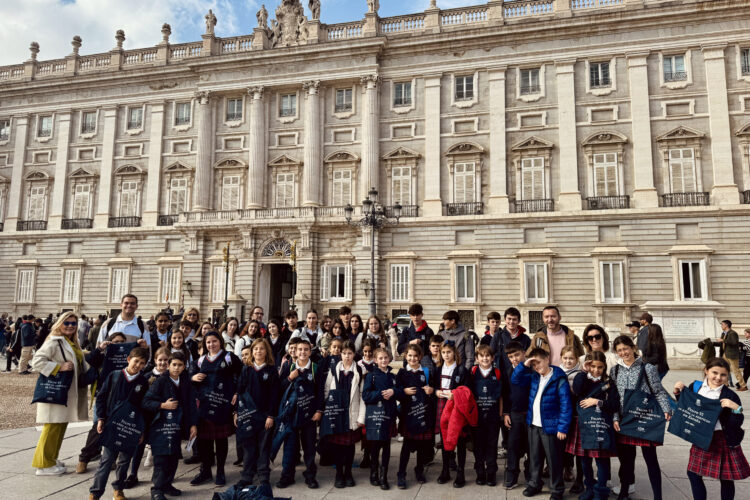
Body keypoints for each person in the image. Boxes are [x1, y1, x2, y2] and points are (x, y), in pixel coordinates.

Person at [673, 357, 749, 500]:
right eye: (714, 372)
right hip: (701, 437)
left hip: (722, 438)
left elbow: (736, 423)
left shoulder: (730, 395)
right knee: (693, 473)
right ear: (706, 371)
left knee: (725, 477)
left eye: (723, 375)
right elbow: (687, 409)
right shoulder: (696, 387)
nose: (718, 377)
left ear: (727, 376)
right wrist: (678, 393)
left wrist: (736, 409)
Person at [610, 335, 672, 500]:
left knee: (651, 459)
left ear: (632, 347)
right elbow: (614, 397)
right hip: (625, 419)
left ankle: (657, 496)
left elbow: (658, 390)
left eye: (626, 348)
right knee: (626, 461)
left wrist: (666, 409)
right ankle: (624, 491)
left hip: (644, 417)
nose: (624, 353)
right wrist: (615, 418)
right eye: (620, 350)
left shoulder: (647, 367)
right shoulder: (614, 370)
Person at [31, 312, 91, 476]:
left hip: (66, 391)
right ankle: (43, 464)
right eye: (67, 323)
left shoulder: (70, 342)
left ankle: (51, 458)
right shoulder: (54, 341)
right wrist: (58, 367)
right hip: (55, 390)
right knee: (51, 427)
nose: (70, 326)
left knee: (59, 425)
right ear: (60, 324)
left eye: (73, 324)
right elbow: (37, 361)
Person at [88, 347, 150, 500]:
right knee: (106, 461)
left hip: (130, 427)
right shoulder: (114, 376)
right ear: (129, 359)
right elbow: (101, 398)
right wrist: (101, 418)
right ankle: (95, 492)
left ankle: (118, 489)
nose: (138, 365)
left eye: (142, 363)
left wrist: (141, 431)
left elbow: (144, 408)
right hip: (112, 424)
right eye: (136, 361)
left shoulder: (143, 382)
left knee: (124, 461)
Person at [511, 347, 572, 500]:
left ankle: (557, 489)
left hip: (551, 427)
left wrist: (563, 427)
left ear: (547, 359)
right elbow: (515, 379)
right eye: (534, 364)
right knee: (534, 458)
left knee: (554, 460)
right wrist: (525, 364)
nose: (536, 366)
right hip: (533, 425)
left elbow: (566, 405)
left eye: (538, 362)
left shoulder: (559, 378)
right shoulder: (534, 376)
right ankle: (534, 484)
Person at [142, 351, 198, 500]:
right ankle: (157, 489)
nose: (176, 368)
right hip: (161, 427)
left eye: (180, 365)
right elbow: (146, 401)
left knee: (173, 457)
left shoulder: (185, 382)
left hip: (177, 427)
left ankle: (167, 484)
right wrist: (162, 405)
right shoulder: (160, 381)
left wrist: (193, 424)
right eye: (174, 365)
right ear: (168, 365)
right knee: (161, 459)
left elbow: (191, 405)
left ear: (184, 366)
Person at [189, 331, 242, 486]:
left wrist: (237, 393)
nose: (211, 344)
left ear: (220, 341)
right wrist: (193, 377)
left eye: (214, 341)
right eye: (208, 342)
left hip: (222, 405)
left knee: (220, 441)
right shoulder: (199, 361)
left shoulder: (229, 358)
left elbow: (242, 375)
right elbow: (189, 379)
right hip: (205, 406)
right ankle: (205, 471)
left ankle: (220, 472)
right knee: (204, 441)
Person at [567, 352, 620, 500]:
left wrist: (597, 402)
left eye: (600, 367)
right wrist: (583, 371)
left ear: (604, 367)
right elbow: (577, 390)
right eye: (593, 366)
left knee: (601, 460)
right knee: (584, 460)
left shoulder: (609, 383)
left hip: (600, 424)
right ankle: (589, 488)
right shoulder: (581, 377)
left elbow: (615, 404)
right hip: (583, 423)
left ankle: (600, 492)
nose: (596, 370)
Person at [276, 339, 323, 489]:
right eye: (300, 349)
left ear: (310, 352)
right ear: (295, 351)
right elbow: (279, 388)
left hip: (309, 415)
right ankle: (287, 475)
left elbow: (321, 391)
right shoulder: (288, 366)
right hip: (291, 414)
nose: (302, 352)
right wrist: (290, 377)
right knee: (290, 447)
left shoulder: (315, 368)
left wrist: (319, 410)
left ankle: (310, 475)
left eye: (306, 350)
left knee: (309, 446)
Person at [235, 338, 280, 487]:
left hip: (264, 416)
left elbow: (275, 395)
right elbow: (240, 392)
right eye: (255, 349)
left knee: (263, 447)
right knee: (248, 446)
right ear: (251, 352)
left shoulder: (271, 370)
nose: (258, 351)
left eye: (261, 349)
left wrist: (271, 415)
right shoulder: (246, 369)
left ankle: (263, 476)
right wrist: (236, 413)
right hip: (248, 415)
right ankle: (247, 475)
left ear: (266, 351)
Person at [124, 347, 170, 489]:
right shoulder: (146, 376)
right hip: (145, 415)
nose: (162, 363)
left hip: (162, 417)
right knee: (139, 446)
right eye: (160, 360)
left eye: (166, 360)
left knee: (159, 448)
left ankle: (159, 477)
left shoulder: (171, 376)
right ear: (155, 360)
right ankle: (133, 474)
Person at [322, 340, 365, 488]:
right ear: (340, 354)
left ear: (354, 354)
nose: (347, 356)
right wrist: (329, 410)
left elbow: (362, 395)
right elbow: (327, 390)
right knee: (337, 445)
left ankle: (348, 472)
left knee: (349, 445)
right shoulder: (334, 369)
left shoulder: (359, 371)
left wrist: (361, 417)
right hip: (337, 413)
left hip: (351, 413)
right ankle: (339, 473)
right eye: (344, 353)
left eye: (350, 353)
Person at [395, 344, 434, 489]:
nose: (412, 358)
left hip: (422, 412)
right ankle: (401, 473)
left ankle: (419, 470)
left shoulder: (425, 372)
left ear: (420, 357)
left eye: (415, 356)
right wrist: (403, 391)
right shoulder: (402, 373)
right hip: (408, 414)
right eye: (410, 355)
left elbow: (431, 388)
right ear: (406, 356)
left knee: (422, 446)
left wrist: (430, 390)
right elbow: (396, 391)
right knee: (406, 446)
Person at [362, 347, 401, 490]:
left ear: (389, 359)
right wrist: (380, 394)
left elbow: (400, 392)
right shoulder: (370, 376)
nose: (383, 360)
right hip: (375, 415)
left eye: (385, 358)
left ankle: (384, 476)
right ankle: (374, 473)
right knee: (374, 446)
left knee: (386, 445)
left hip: (389, 415)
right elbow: (366, 396)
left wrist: (393, 391)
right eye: (380, 358)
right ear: (375, 360)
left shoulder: (392, 376)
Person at [434, 339, 470, 486]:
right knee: (445, 440)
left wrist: (455, 395)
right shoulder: (438, 369)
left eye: (449, 352)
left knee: (460, 440)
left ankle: (461, 472)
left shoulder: (462, 370)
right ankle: (445, 470)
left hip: (457, 409)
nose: (446, 355)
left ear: (454, 353)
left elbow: (467, 391)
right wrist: (436, 391)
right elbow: (434, 386)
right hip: (442, 406)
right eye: (443, 352)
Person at [470, 344, 503, 487]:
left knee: (491, 445)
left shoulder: (497, 373)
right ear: (477, 358)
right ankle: (480, 472)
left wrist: (501, 414)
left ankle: (491, 472)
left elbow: (501, 396)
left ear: (492, 357)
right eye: (482, 356)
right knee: (478, 445)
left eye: (487, 355)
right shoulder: (472, 371)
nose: (485, 358)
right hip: (477, 417)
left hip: (493, 416)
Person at [501, 340, 530, 490]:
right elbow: (505, 394)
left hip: (531, 414)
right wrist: (506, 413)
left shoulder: (532, 369)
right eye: (511, 357)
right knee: (512, 445)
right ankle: (512, 474)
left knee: (531, 447)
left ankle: (531, 474)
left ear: (523, 353)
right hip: (514, 414)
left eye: (517, 355)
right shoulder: (507, 372)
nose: (514, 359)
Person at [561, 345, 584, 492]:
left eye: (571, 358)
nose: (568, 361)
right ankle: (567, 468)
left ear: (576, 359)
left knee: (578, 449)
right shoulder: (557, 371)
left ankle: (580, 477)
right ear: (561, 358)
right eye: (565, 358)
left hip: (576, 414)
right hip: (562, 415)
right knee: (564, 446)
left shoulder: (581, 373)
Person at [718, 320, 747, 391]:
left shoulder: (733, 333)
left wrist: (723, 340)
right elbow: (722, 343)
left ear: (726, 325)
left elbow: (734, 342)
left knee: (736, 370)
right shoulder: (724, 333)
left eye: (722, 324)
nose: (721, 326)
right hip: (725, 354)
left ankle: (743, 386)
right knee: (724, 369)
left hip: (732, 354)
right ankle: (725, 384)